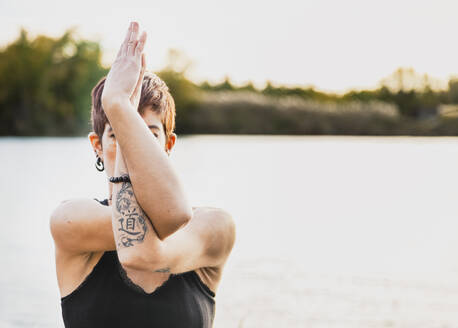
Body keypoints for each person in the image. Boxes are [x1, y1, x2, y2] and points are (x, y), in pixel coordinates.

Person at [49, 21, 236, 328]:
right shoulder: (70, 222)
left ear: (168, 145)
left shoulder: (215, 228)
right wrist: (118, 106)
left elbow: (147, 249)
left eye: (148, 135)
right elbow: (139, 247)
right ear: (96, 146)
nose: (134, 148)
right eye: (118, 135)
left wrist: (119, 106)